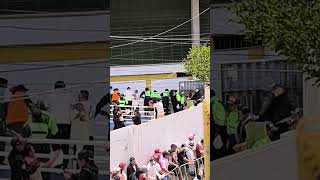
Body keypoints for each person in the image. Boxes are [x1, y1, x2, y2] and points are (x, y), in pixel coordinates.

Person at [45, 81, 73, 169]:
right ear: (64, 87)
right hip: (66, 123)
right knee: (65, 146)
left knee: (55, 146)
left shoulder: (49, 96)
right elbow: (74, 107)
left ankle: (55, 164)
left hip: (53, 123)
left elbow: (45, 107)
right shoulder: (70, 95)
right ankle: (64, 164)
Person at [210, 90, 227, 158]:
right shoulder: (219, 102)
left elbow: (211, 117)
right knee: (221, 143)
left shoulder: (212, 103)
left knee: (215, 145)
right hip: (223, 127)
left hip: (216, 127)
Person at [0, 78, 8, 164]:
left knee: (2, 142)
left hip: (2, 124)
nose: (3, 90)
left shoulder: (4, 100)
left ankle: (1, 159)